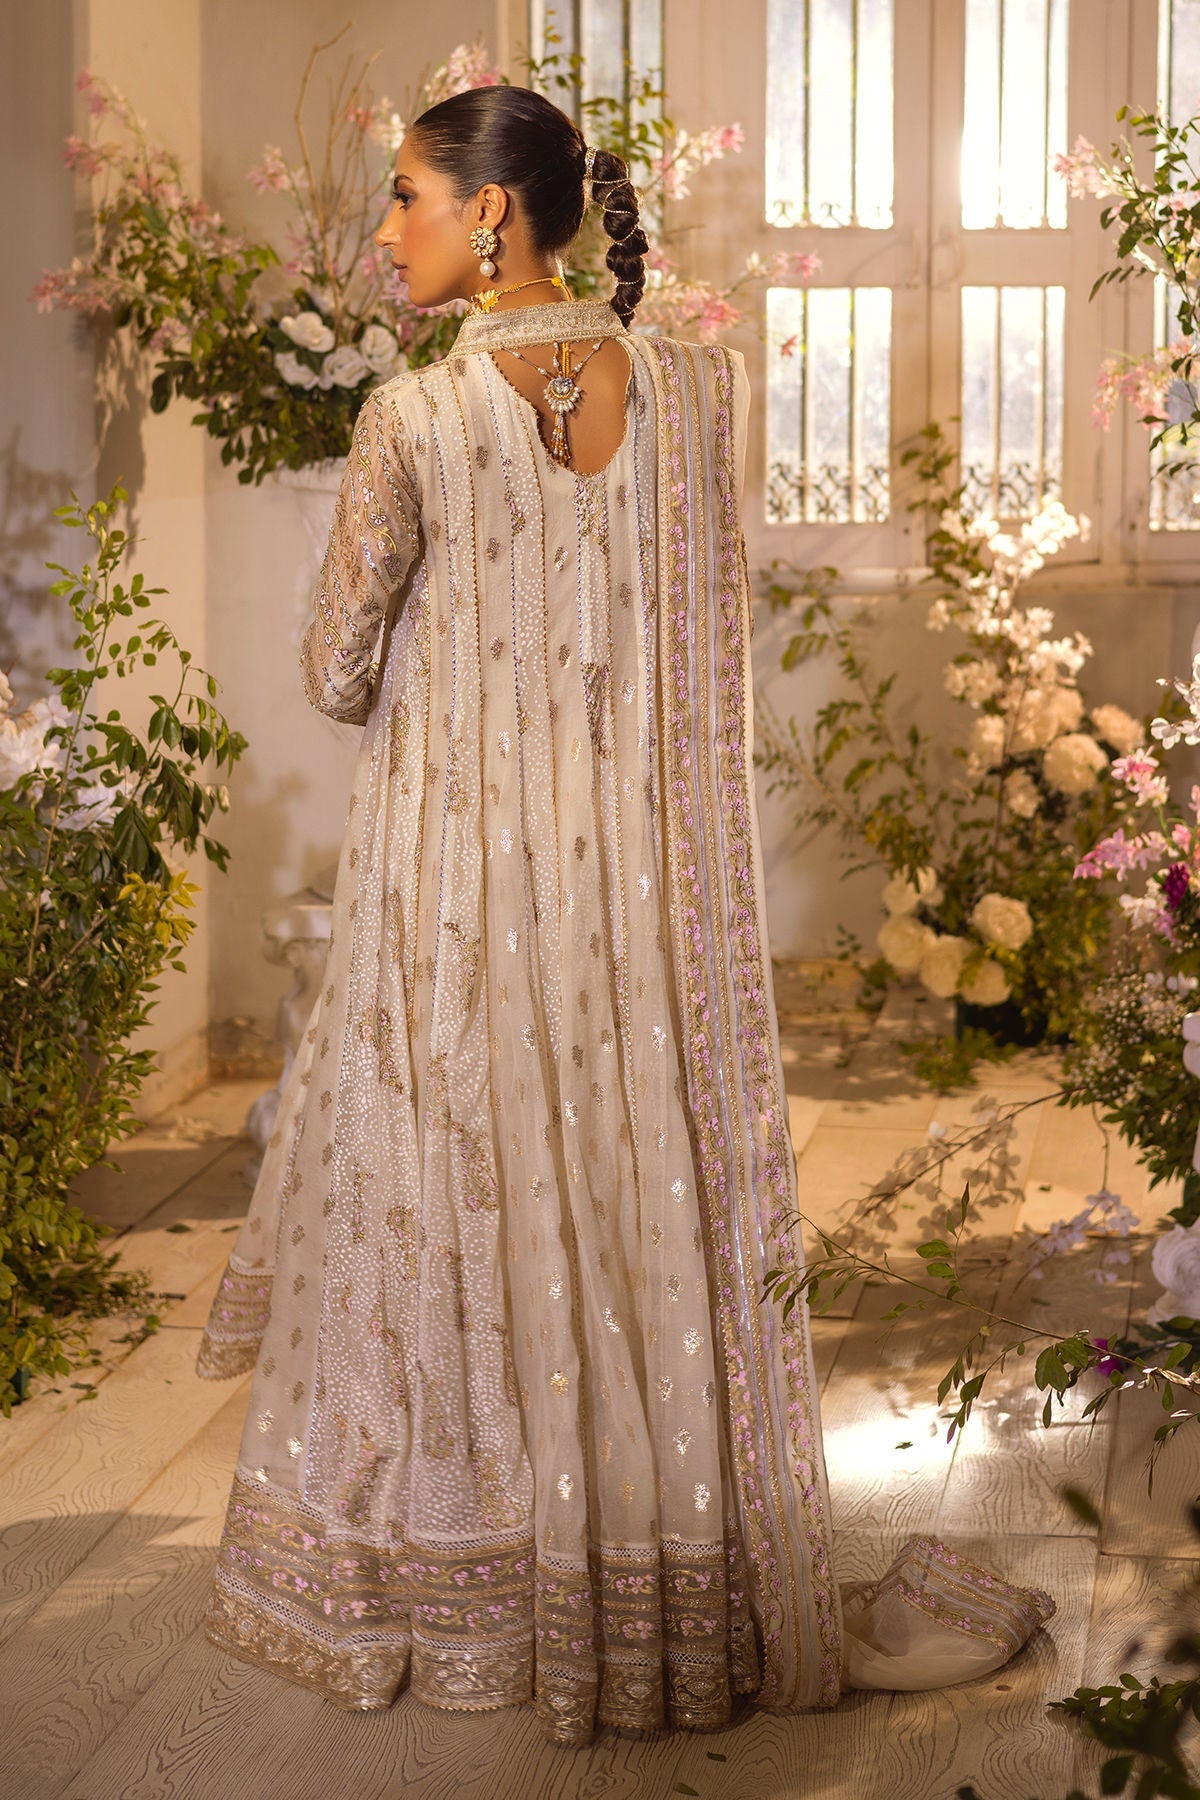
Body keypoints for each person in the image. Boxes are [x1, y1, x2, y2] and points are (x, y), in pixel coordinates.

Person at [195, 84, 1054, 1748]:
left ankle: (486, 1565)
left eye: (406, 197)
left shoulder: (414, 419)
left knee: (462, 1204)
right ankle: (647, 1565)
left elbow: (336, 669)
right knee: (621, 1196)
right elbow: (690, 646)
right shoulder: (694, 391)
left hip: (462, 887)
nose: (385, 229)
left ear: (491, 214)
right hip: (640, 892)